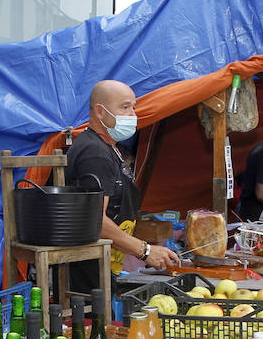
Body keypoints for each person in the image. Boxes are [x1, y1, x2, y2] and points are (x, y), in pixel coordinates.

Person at [65, 80, 181, 292]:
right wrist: (144, 251)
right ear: (100, 111)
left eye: (134, 107)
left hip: (104, 263)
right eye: (125, 107)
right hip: (87, 271)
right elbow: (94, 220)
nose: (133, 115)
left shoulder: (108, 148)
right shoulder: (94, 153)